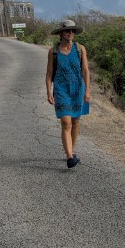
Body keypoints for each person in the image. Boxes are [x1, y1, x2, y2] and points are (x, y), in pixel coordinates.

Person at [45, 19, 91, 168]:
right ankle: (70, 157)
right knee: (66, 123)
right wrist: (48, 92)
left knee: (76, 122)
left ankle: (71, 150)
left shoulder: (80, 49)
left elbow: (85, 71)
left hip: (78, 89)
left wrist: (88, 90)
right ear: (61, 33)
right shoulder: (54, 52)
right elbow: (49, 74)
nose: (70, 33)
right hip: (61, 89)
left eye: (72, 31)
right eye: (67, 31)